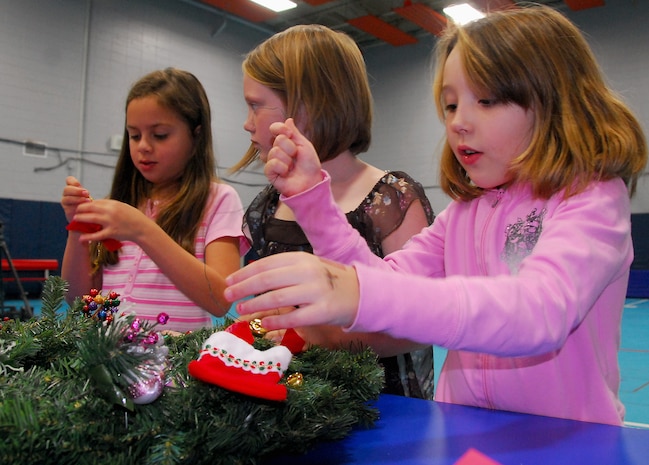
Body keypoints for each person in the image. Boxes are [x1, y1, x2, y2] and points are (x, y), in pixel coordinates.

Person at [224, 5, 648, 425]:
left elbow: (539, 312)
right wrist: (313, 201)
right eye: (449, 105)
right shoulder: (464, 214)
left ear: (556, 102)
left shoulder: (591, 198)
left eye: (486, 100)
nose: (459, 122)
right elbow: (384, 282)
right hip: (465, 434)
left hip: (567, 443)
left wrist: (358, 292)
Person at [230, 24, 436, 399]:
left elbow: (412, 325)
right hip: (287, 399)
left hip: (379, 407)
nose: (247, 122)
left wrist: (307, 332)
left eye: (256, 105)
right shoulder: (267, 207)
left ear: (305, 108)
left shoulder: (390, 200)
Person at [61, 68, 248, 333]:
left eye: (159, 135)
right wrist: (78, 226)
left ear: (196, 136)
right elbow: (79, 300)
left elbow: (221, 300)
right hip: (109, 359)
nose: (143, 146)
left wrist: (143, 231)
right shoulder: (121, 204)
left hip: (174, 364)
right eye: (134, 135)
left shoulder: (219, 200)